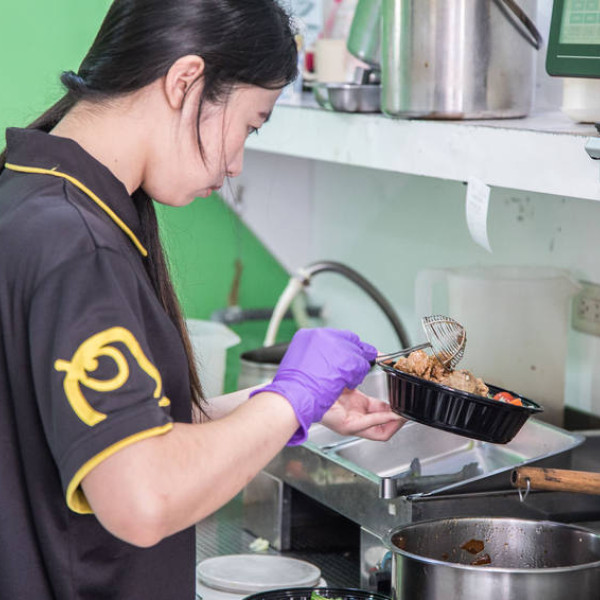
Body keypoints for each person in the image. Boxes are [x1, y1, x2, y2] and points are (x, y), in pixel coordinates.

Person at [0, 1, 404, 598]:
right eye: (250, 125)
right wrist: (292, 398)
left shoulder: (30, 194)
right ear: (185, 80)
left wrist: (294, 403)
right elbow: (143, 496)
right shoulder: (79, 244)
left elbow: (118, 431)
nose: (236, 163)